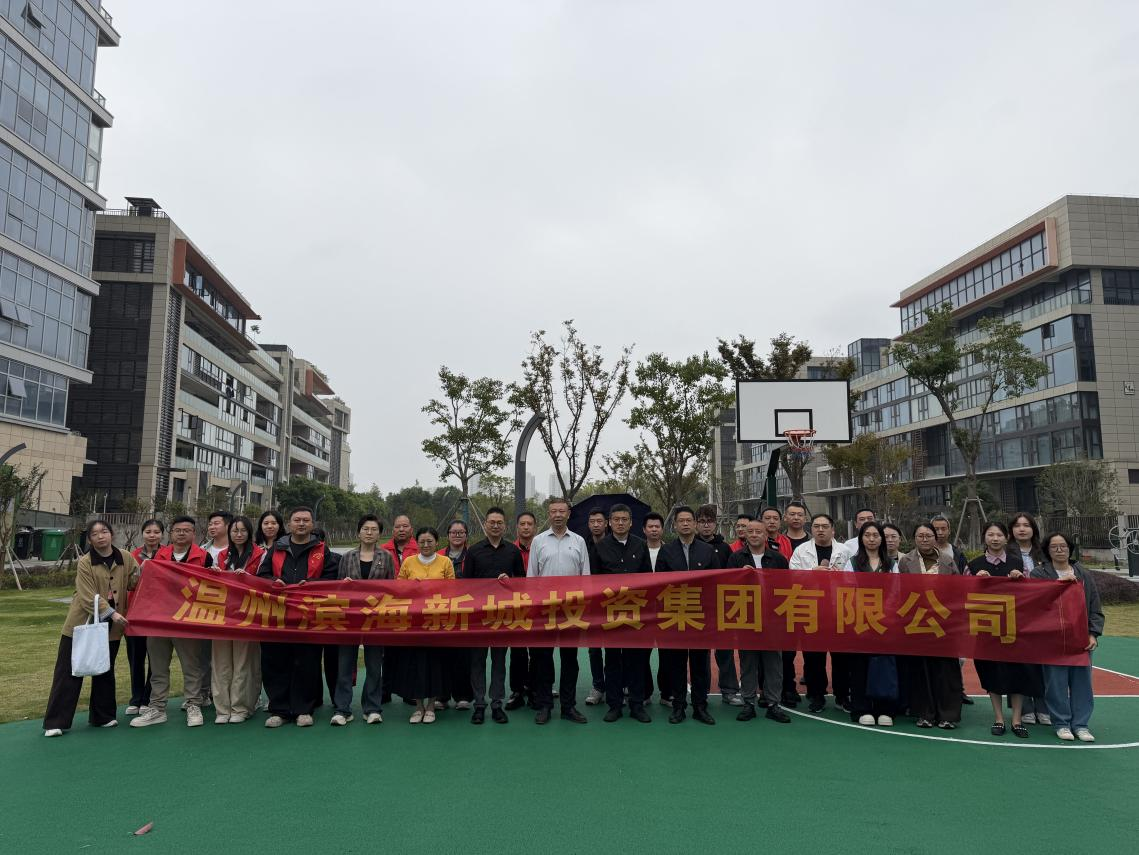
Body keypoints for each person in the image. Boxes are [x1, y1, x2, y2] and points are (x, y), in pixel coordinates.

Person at [43, 520, 139, 737]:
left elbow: (134, 581)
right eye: (95, 534)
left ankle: (102, 716)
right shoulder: (85, 562)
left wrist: (145, 572)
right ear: (89, 540)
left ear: (111, 534)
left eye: (104, 531)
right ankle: (56, 721)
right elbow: (86, 595)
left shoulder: (125, 556)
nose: (100, 536)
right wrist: (112, 613)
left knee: (105, 668)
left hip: (112, 626)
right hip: (82, 623)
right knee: (69, 670)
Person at [257, 506, 340, 728]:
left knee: (307, 663)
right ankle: (279, 710)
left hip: (309, 618)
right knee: (275, 662)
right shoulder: (277, 548)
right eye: (297, 520)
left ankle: (304, 709)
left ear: (312, 524)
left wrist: (312, 585)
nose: (301, 524)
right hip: (278, 617)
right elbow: (262, 575)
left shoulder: (322, 550)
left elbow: (332, 577)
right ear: (289, 524)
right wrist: (274, 581)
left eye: (305, 520)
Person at [131, 516, 213, 728]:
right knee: (158, 667)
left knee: (191, 666)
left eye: (186, 530)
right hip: (159, 619)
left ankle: (193, 704)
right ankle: (157, 708)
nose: (181, 533)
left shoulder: (204, 557)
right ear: (171, 533)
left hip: (187, 621)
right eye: (177, 530)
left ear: (194, 533)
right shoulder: (159, 555)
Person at [968, 522, 1043, 739]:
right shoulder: (974, 565)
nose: (995, 539)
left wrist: (1021, 579)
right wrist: (975, 582)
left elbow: (1031, 595)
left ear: (1006, 538)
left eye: (999, 535)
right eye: (990, 535)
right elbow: (963, 594)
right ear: (984, 538)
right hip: (986, 627)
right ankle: (998, 718)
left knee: (1018, 672)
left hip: (1014, 627)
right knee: (991, 672)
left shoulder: (1018, 563)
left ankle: (1017, 720)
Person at [1033, 533, 1104, 742]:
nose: (1059, 550)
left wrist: (1093, 633)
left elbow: (1094, 607)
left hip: (1079, 638)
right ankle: (1061, 723)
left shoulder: (1083, 574)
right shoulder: (1039, 573)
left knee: (1082, 682)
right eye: (1054, 546)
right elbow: (1036, 601)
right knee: (1055, 683)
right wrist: (1058, 583)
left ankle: (1081, 724)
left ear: (1070, 548)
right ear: (1047, 550)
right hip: (1052, 639)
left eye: (1063, 546)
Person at [528, 497, 590, 725]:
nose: (557, 515)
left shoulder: (579, 541)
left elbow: (586, 576)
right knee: (544, 658)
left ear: (568, 514)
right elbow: (532, 577)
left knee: (570, 659)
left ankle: (568, 706)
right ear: (549, 514)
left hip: (571, 609)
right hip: (545, 608)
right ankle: (545, 705)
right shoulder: (538, 541)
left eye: (561, 511)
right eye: (553, 511)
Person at [657, 506, 719, 725]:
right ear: (674, 525)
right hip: (675, 615)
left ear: (695, 524)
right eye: (680, 521)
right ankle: (679, 706)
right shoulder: (666, 551)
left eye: (688, 520)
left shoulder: (707, 550)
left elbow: (716, 582)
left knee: (700, 663)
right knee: (677, 663)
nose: (685, 524)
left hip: (700, 616)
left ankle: (700, 706)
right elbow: (659, 584)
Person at [898, 523, 962, 729]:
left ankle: (948, 715)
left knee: (946, 669)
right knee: (920, 669)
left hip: (943, 622)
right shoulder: (905, 561)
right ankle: (924, 713)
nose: (924, 539)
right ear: (914, 539)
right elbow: (901, 591)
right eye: (920, 536)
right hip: (917, 621)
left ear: (935, 538)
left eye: (928, 535)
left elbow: (958, 589)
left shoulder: (948, 560)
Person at [332, 514, 394, 726]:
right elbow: (337, 588)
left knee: (374, 665)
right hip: (350, 618)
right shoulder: (347, 557)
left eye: (374, 529)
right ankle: (343, 709)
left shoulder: (386, 557)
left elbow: (392, 587)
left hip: (376, 619)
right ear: (358, 532)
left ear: (379, 534)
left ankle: (372, 708)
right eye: (365, 529)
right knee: (345, 664)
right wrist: (345, 584)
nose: (369, 532)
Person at [727, 519, 791, 724]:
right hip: (746, 617)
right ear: (745, 535)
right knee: (748, 662)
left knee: (774, 663)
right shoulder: (736, 558)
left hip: (773, 618)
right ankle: (748, 702)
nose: (754, 535)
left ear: (766, 535)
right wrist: (740, 576)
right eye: (750, 531)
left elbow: (787, 587)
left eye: (758, 532)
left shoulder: (778, 559)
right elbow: (727, 587)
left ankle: (773, 703)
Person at [465, 507, 526, 724]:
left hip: (503, 616)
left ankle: (497, 704)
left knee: (499, 661)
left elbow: (522, 583)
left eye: (499, 522)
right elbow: (465, 586)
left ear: (505, 526)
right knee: (477, 661)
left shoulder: (513, 551)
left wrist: (510, 582)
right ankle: (479, 704)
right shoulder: (473, 551)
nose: (495, 526)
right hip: (479, 617)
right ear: (485, 524)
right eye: (492, 522)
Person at [594, 503, 653, 723]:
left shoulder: (640, 545)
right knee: (612, 660)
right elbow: (593, 582)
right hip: (609, 612)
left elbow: (648, 578)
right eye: (616, 519)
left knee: (635, 660)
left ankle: (636, 704)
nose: (620, 523)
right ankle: (614, 705)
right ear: (610, 523)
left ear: (630, 522)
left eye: (624, 519)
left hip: (635, 611)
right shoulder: (600, 547)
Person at [789, 513, 853, 713]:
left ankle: (842, 696)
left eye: (825, 526)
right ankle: (817, 695)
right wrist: (812, 573)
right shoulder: (801, 550)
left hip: (839, 610)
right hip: (811, 609)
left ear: (833, 530)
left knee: (842, 657)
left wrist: (841, 577)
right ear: (812, 529)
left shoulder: (845, 551)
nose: (820, 530)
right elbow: (791, 577)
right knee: (813, 657)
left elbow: (855, 579)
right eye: (816, 526)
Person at [396, 527, 456, 723]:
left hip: (437, 622)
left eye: (430, 541)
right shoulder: (408, 562)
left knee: (435, 663)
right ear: (417, 543)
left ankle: (431, 706)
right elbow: (398, 588)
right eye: (422, 541)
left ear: (437, 542)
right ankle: (418, 706)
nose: (426, 545)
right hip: (414, 622)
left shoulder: (445, 562)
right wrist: (412, 587)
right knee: (415, 663)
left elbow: (453, 589)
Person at [211, 516, 264, 724]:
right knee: (221, 663)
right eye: (235, 531)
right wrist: (215, 574)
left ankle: (241, 707)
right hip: (222, 615)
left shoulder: (260, 554)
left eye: (243, 531)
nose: (239, 534)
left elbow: (265, 581)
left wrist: (248, 578)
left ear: (250, 533)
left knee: (244, 663)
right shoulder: (222, 556)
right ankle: (222, 709)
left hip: (247, 616)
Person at [846, 522, 900, 727]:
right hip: (859, 621)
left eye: (875, 535)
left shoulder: (890, 564)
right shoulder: (852, 562)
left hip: (885, 622)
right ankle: (862, 708)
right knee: (860, 665)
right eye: (867, 535)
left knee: (885, 665)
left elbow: (896, 591)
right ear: (861, 538)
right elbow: (847, 590)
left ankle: (885, 709)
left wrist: (886, 612)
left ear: (881, 539)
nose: (871, 539)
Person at [697, 504, 740, 707]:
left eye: (710, 522)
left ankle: (729, 690)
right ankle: (701, 691)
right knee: (701, 652)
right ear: (696, 524)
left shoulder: (725, 548)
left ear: (715, 524)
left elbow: (732, 577)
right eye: (702, 522)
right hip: (698, 607)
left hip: (722, 607)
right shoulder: (691, 546)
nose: (706, 525)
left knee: (725, 651)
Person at [1010, 511, 1049, 725]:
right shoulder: (1005, 552)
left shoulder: (1044, 552)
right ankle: (1024, 707)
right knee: (1019, 662)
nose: (1022, 529)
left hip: (1041, 614)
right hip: (1015, 613)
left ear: (1033, 529)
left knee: (1042, 662)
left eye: (1026, 525)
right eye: (1017, 525)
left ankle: (1044, 706)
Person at [125, 518, 163, 715]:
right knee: (135, 658)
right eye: (148, 532)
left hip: (158, 614)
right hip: (134, 613)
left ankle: (148, 698)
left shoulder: (167, 555)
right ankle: (136, 698)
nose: (152, 535)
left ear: (162, 534)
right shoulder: (133, 555)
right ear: (142, 534)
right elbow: (127, 582)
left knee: (155, 659)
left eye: (156, 532)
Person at [381, 514, 419, 704]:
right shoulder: (383, 550)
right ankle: (385, 690)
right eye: (398, 526)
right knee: (388, 652)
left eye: (405, 526)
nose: (401, 530)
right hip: (389, 607)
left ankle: (408, 691)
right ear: (393, 529)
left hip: (414, 608)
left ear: (411, 529)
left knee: (410, 652)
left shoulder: (420, 548)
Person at [439, 519, 474, 711]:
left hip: (464, 613)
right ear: (448, 535)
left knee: (463, 656)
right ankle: (441, 696)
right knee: (442, 655)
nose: (457, 535)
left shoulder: (473, 555)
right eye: (454, 532)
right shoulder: (438, 555)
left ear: (466, 535)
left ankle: (463, 696)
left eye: (461, 532)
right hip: (440, 612)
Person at [506, 510, 537, 711]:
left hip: (538, 606)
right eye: (522, 524)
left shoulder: (541, 547)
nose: (526, 527)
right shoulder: (509, 550)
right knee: (517, 651)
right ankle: (517, 690)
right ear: (517, 527)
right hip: (516, 606)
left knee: (537, 650)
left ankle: (535, 688)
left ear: (535, 527)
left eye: (529, 524)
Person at [781, 500, 811, 706]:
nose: (796, 518)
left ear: (805, 518)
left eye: (800, 514)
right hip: (785, 602)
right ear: (786, 517)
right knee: (787, 649)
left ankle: (814, 686)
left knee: (812, 648)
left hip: (811, 601)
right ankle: (788, 687)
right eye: (792, 514)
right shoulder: (778, 542)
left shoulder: (813, 541)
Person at [643, 512, 671, 706]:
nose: (654, 530)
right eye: (650, 526)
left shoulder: (671, 551)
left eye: (657, 526)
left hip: (666, 609)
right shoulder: (637, 550)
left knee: (667, 653)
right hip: (643, 610)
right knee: (642, 653)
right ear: (644, 530)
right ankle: (644, 693)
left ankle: (666, 693)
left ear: (662, 529)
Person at [584, 507, 609, 707]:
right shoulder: (582, 544)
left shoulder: (614, 544)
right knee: (594, 648)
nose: (596, 525)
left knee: (614, 646)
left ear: (606, 523)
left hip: (612, 602)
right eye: (592, 522)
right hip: (590, 603)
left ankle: (618, 684)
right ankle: (598, 686)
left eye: (599, 521)